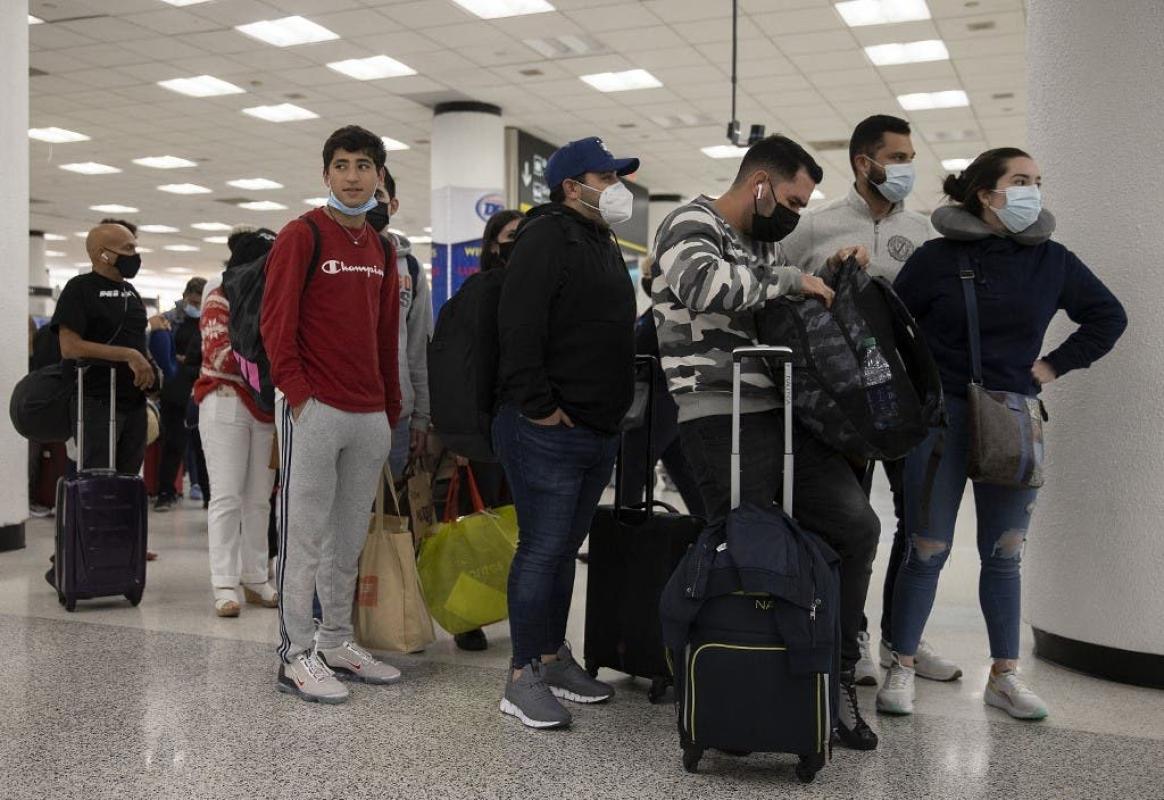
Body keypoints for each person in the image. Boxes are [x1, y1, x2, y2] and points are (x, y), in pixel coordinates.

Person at [877, 148, 1126, 720]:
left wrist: (1053, 366)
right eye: (1020, 181)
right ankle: (902, 663)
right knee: (926, 548)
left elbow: (1108, 316)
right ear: (985, 195)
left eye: (1037, 181)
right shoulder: (936, 258)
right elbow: (892, 330)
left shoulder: (1053, 261)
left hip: (1013, 416)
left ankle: (1004, 676)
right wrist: (916, 389)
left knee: (1005, 552)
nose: (1032, 191)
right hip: (942, 419)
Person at [652, 134, 881, 751]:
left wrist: (824, 276)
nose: (795, 214)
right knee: (746, 554)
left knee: (854, 527)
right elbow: (704, 286)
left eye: (804, 206)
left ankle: (832, 678)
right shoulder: (689, 223)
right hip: (718, 414)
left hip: (784, 412)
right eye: (792, 200)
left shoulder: (763, 242)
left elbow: (775, 299)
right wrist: (790, 279)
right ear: (759, 184)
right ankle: (742, 685)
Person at [779, 114, 960, 687]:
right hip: (842, 404)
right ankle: (848, 634)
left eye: (910, 159)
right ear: (865, 162)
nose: (907, 168)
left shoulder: (925, 232)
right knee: (848, 522)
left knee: (916, 522)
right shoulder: (814, 225)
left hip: (905, 399)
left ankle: (900, 638)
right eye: (898, 158)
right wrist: (827, 272)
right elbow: (778, 291)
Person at [493, 136, 639, 729]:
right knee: (541, 550)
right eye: (607, 178)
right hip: (548, 431)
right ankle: (522, 675)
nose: (617, 188)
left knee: (561, 553)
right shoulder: (546, 236)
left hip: (595, 429)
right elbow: (518, 326)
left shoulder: (600, 238)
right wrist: (539, 408)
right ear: (572, 186)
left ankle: (552, 659)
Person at [263, 124, 403, 704]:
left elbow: (386, 332)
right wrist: (299, 396)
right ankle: (295, 655)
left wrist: (390, 406)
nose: (352, 176)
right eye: (341, 165)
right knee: (304, 538)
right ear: (326, 174)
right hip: (315, 408)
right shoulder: (302, 234)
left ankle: (337, 640)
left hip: (369, 413)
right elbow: (276, 323)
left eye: (363, 166)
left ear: (378, 176)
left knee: (347, 541)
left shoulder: (382, 248)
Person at [194, 228, 279, 618]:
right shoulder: (219, 291)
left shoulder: (272, 295)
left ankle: (255, 577)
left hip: (264, 407)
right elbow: (219, 354)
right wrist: (270, 365)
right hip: (224, 400)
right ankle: (224, 583)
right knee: (226, 496)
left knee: (259, 499)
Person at [617, 259, 706, 518]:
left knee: (633, 468)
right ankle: (709, 524)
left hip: (656, 403)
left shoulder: (666, 312)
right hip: (666, 403)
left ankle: (626, 529)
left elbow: (644, 350)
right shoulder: (662, 309)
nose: (646, 280)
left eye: (648, 274)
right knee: (682, 470)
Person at [366, 172, 433, 482]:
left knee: (393, 505)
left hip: (397, 414)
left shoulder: (411, 269)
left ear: (392, 205)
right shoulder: (331, 259)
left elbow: (418, 347)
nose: (370, 202)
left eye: (377, 195)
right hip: (341, 409)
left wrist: (422, 416)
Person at [151, 277, 206, 512]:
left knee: (203, 447)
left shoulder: (210, 320)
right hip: (174, 389)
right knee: (173, 443)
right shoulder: (170, 319)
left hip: (201, 388)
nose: (196, 306)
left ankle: (208, 495)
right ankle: (166, 492)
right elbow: (158, 347)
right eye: (193, 302)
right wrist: (174, 359)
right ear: (185, 297)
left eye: (199, 302)